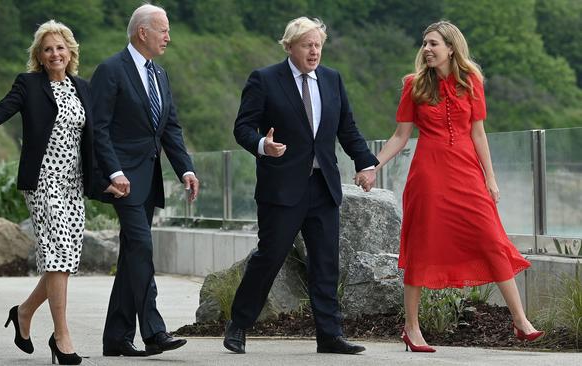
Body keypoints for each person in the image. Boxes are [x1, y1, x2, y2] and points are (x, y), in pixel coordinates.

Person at [0, 20, 115, 365]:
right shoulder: (29, 85)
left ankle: (23, 312)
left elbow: (97, 138)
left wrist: (112, 174)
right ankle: (62, 338)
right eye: (47, 49)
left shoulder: (83, 88)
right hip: (43, 181)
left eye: (60, 47)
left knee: (63, 261)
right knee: (59, 254)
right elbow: (1, 109)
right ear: (39, 55)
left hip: (73, 184)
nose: (54, 54)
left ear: (70, 51)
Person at [372, 20, 544, 352]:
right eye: (424, 43)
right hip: (429, 176)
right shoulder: (414, 85)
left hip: (467, 174)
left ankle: (521, 321)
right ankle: (411, 328)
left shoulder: (472, 82)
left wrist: (490, 178)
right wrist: (373, 166)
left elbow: (478, 133)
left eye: (433, 43)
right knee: (421, 247)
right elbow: (400, 136)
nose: (426, 49)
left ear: (451, 47)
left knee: (492, 240)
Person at [225, 17, 378, 355]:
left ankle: (329, 335)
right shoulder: (264, 80)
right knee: (270, 258)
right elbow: (243, 127)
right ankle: (238, 324)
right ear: (290, 46)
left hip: (323, 187)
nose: (314, 50)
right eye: (307, 44)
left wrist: (365, 163)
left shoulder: (332, 79)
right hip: (281, 188)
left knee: (326, 262)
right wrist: (263, 146)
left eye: (318, 44)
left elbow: (347, 129)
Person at [89, 4, 199, 358]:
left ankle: (115, 338)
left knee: (132, 255)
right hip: (122, 180)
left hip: (149, 180)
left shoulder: (160, 74)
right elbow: (98, 129)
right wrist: (114, 172)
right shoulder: (110, 70)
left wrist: (185, 169)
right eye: (163, 30)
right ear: (143, 32)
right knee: (142, 247)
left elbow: (170, 129)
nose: (168, 36)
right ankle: (154, 331)